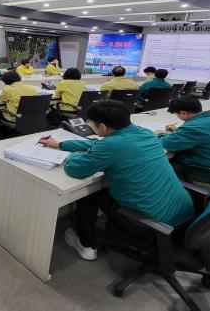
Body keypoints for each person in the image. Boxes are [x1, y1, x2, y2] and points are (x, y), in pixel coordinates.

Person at [39, 101, 193, 260]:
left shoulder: (111, 145)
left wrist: (73, 155)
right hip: (183, 213)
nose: (89, 126)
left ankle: (86, 246)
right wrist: (61, 144)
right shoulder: (145, 133)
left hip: (155, 225)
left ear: (102, 127)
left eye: (90, 123)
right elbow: (99, 144)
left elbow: (74, 169)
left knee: (89, 194)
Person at [154, 97, 210, 185]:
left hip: (208, 174)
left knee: (156, 168)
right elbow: (203, 134)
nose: (177, 117)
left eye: (177, 114)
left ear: (184, 113)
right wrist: (180, 131)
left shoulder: (194, 128)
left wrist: (158, 134)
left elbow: (166, 144)